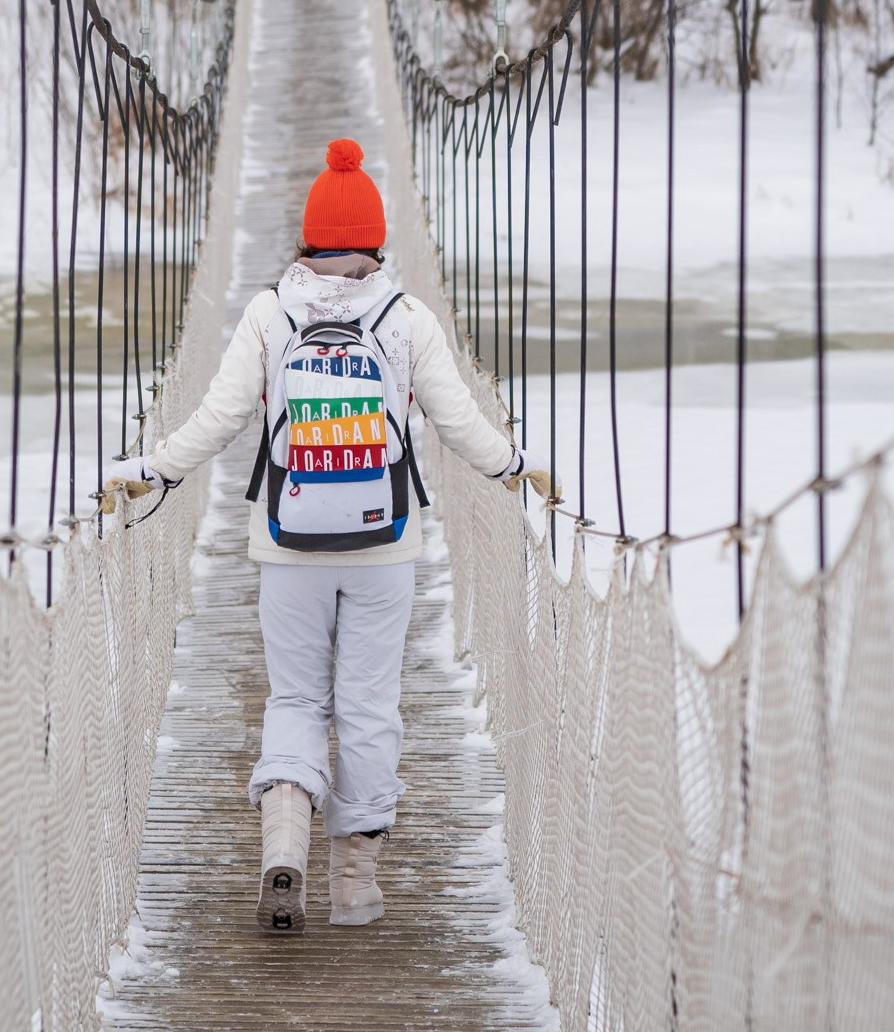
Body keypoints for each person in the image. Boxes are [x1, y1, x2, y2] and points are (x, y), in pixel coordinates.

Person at [103, 137, 555, 932]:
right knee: (370, 703)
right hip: (384, 545)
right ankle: (354, 884)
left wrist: (158, 467)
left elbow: (220, 415)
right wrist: (517, 467)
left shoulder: (270, 312)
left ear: (308, 237)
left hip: (288, 540)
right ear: (377, 239)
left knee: (298, 696)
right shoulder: (406, 317)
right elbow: (458, 425)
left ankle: (285, 839)